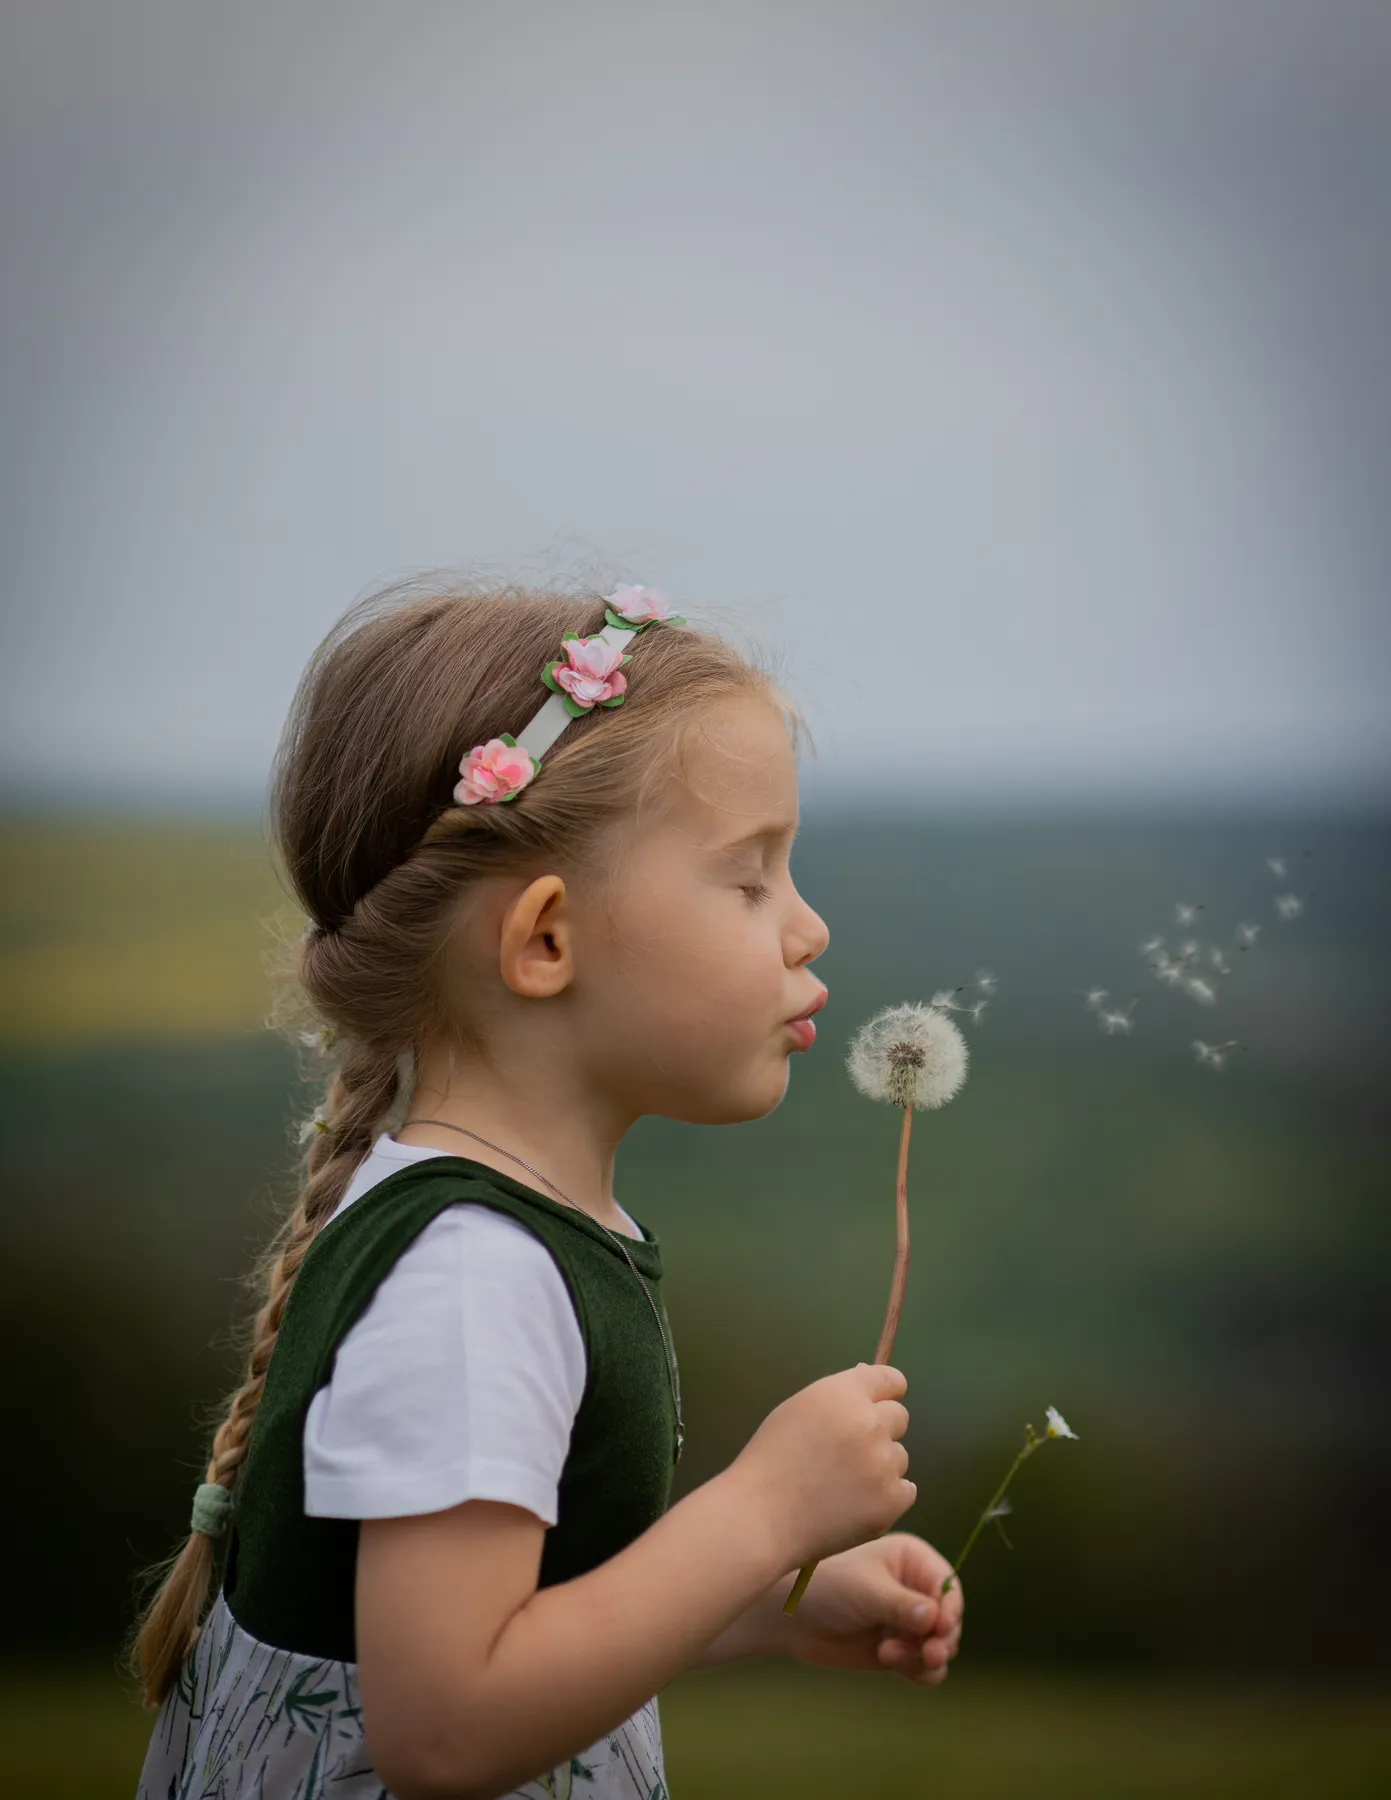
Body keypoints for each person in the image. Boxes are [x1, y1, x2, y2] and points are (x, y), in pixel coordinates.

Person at [125, 578, 964, 1800]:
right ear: (545, 941)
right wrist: (759, 1518)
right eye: (749, 880)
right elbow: (447, 1725)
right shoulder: (476, 1281)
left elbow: (527, 1619)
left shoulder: (502, 1238)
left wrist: (769, 1603)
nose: (807, 928)